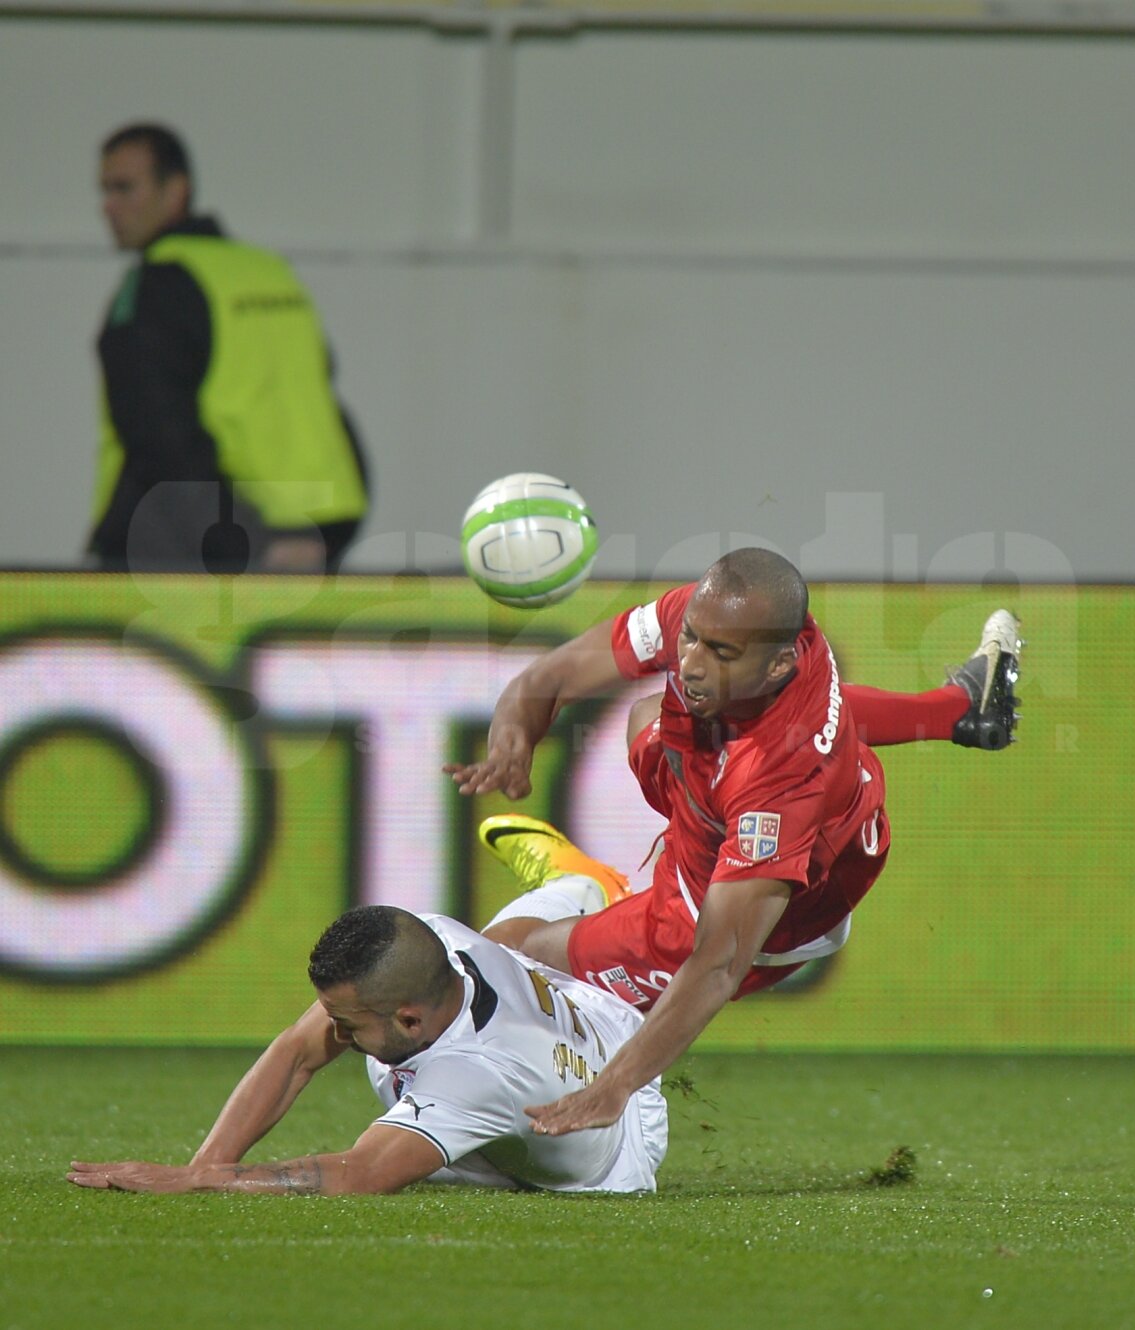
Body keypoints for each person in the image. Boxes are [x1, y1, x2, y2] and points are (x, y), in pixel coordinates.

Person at [445, 547, 1022, 1137]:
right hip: (829, 807)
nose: (691, 663)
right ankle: (958, 711)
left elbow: (718, 964)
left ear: (777, 666)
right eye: (690, 639)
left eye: (719, 653)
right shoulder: (738, 621)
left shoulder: (778, 781)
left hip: (768, 910)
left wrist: (613, 1089)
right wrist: (512, 736)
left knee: (517, 955)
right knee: (647, 713)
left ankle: (594, 890)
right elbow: (547, 679)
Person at [66, 907, 666, 1195]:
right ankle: (580, 883)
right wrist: (204, 1162)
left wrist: (196, 1184)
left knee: (522, 940)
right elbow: (296, 1053)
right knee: (510, 937)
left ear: (408, 1017)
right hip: (581, 1018)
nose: (333, 1035)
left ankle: (600, 889)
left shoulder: (475, 1076)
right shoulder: (428, 943)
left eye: (346, 1024)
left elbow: (362, 1172)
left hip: (613, 1154)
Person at [88, 123, 369, 573]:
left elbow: (158, 434)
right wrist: (323, 536)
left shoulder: (159, 284)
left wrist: (238, 540)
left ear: (176, 189)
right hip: (313, 534)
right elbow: (323, 403)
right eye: (105, 191)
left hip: (193, 548)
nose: (109, 207)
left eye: (124, 188)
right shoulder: (270, 271)